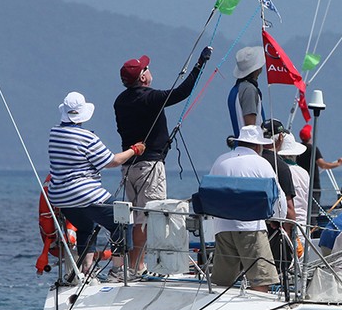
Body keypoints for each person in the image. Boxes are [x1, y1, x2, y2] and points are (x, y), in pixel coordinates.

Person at [114, 46, 213, 274]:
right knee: (150, 216)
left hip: (129, 166)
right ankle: (139, 266)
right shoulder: (150, 98)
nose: (149, 70)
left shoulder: (120, 101)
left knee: (138, 215)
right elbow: (182, 92)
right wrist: (199, 65)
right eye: (146, 68)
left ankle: (136, 264)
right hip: (150, 165)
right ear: (142, 76)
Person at [47, 91, 145, 282]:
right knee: (123, 219)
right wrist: (134, 150)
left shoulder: (54, 133)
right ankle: (118, 271)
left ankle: (87, 270)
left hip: (60, 196)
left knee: (86, 227)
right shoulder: (87, 138)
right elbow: (112, 161)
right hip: (84, 193)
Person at [207, 125, 287, 292]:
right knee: (260, 280)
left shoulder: (220, 160)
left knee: (223, 282)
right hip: (251, 228)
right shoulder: (261, 163)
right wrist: (277, 220)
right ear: (258, 146)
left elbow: (210, 191)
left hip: (222, 227)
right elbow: (278, 198)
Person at [260, 120, 298, 274]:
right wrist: (290, 233)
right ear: (281, 138)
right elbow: (289, 210)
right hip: (274, 233)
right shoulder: (280, 167)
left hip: (250, 228)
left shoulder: (255, 160)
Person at [296, 125, 342, 225]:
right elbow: (323, 165)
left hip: (301, 183)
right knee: (313, 212)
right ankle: (311, 231)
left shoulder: (298, 149)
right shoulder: (312, 149)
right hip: (313, 185)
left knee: (302, 209)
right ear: (310, 135)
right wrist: (338, 163)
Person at [228, 46, 267, 136]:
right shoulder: (249, 90)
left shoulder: (236, 89)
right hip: (252, 148)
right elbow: (251, 128)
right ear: (257, 69)